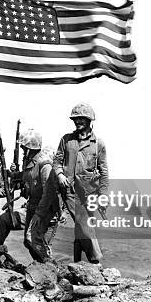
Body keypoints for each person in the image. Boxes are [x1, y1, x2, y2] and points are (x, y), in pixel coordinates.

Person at [51, 103, 108, 264]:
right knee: (84, 224)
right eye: (75, 119)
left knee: (80, 227)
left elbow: (104, 171)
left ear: (90, 120)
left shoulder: (99, 144)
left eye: (82, 118)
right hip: (69, 190)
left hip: (90, 193)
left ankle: (77, 263)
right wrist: (60, 174)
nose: (78, 122)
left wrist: (103, 195)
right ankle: (96, 262)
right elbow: (57, 161)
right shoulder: (67, 140)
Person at [0, 129, 58, 263]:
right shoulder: (29, 162)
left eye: (24, 147)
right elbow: (25, 177)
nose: (22, 149)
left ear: (30, 148)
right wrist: (12, 174)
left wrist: (39, 214)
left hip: (45, 211)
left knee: (33, 239)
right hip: (32, 207)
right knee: (6, 220)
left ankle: (50, 268)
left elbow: (49, 193)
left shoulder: (44, 165)